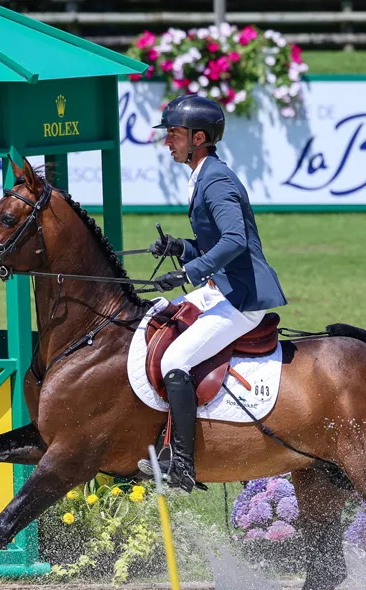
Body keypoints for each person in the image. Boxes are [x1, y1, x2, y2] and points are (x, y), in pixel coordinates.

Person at [137, 94, 287, 493]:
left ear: (198, 137)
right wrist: (179, 247)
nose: (167, 142)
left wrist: (189, 271)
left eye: (174, 134)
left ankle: (183, 465)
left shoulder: (216, 180)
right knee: (159, 320)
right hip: (222, 287)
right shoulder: (203, 175)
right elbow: (214, 242)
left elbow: (235, 239)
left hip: (242, 297)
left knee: (176, 359)